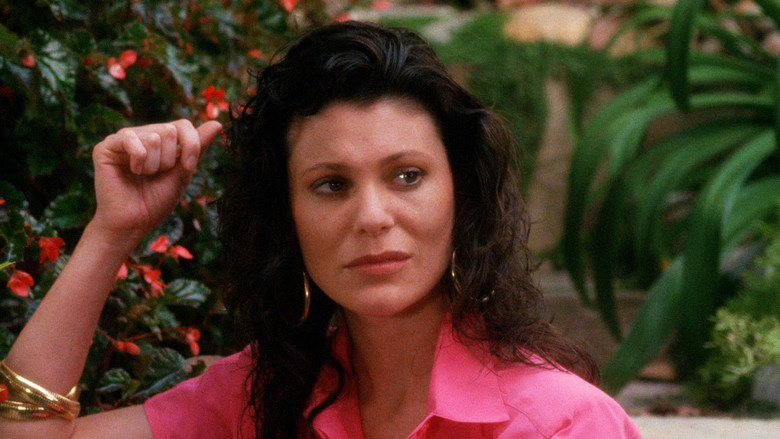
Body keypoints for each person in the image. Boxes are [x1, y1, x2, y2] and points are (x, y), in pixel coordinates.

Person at [0, 21, 641, 439]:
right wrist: (111, 232)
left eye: (408, 176)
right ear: (287, 216)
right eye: (331, 184)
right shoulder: (265, 399)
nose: (372, 217)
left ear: (461, 196)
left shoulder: (559, 423)